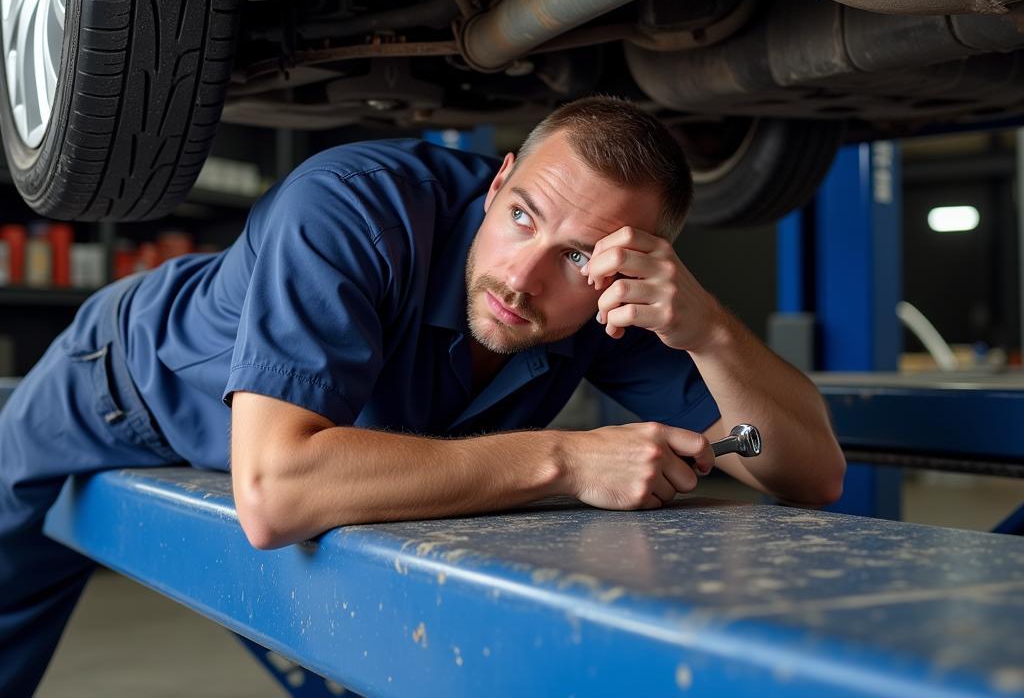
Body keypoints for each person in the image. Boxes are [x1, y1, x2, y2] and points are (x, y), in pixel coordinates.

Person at [0, 96, 845, 696]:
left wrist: (708, 330)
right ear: (498, 180)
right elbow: (277, 494)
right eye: (522, 217)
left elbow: (812, 475)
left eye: (579, 258)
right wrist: (568, 458)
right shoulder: (347, 207)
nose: (524, 276)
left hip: (307, 440)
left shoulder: (612, 304)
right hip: (117, 382)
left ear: (631, 266)